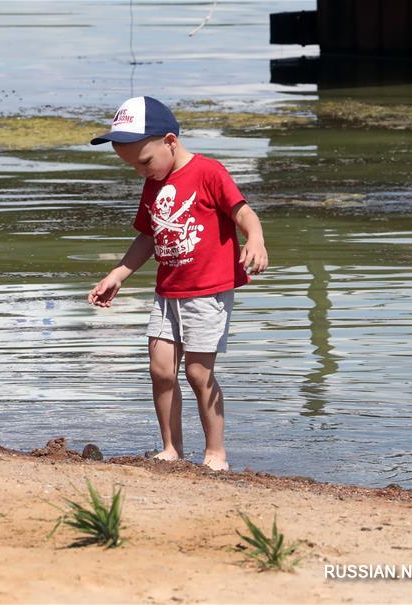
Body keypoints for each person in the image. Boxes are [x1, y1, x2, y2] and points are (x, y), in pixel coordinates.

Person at [87, 96, 268, 470]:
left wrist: (256, 239)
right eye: (132, 166)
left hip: (207, 293)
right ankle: (172, 449)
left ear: (170, 141)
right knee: (161, 370)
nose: (140, 172)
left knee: (198, 373)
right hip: (167, 292)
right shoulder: (154, 183)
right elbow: (148, 237)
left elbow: (244, 213)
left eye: (144, 161)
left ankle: (215, 453)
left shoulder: (208, 172)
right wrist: (118, 274)